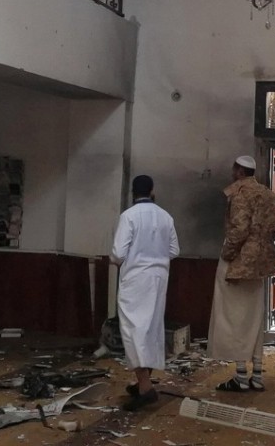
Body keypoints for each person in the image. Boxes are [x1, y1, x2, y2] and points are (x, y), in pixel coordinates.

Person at [207, 155, 275, 392]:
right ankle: (257, 375)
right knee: (254, 318)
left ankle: (240, 376)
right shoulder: (268, 193)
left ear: (238, 171)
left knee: (234, 318)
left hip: (238, 264)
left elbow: (239, 229)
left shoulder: (238, 193)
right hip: (260, 264)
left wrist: (228, 254)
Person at [111, 174, 180, 411]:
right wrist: (156, 259)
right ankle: (143, 380)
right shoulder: (166, 216)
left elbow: (118, 254)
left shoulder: (128, 216)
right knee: (151, 329)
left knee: (133, 331)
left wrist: (135, 261)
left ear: (133, 192)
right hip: (159, 279)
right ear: (152, 191)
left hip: (135, 279)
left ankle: (144, 388)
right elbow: (174, 250)